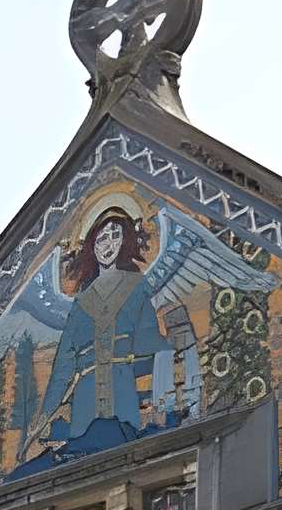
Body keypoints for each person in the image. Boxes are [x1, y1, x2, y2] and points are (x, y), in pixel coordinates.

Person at [20, 199, 170, 470]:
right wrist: (43, 419)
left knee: (126, 456)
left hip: (121, 386)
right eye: (101, 238)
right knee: (84, 461)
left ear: (125, 240)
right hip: (86, 396)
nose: (108, 245)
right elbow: (63, 368)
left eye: (115, 236)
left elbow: (151, 344)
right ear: (91, 245)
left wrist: (168, 370)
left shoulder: (135, 287)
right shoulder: (79, 304)